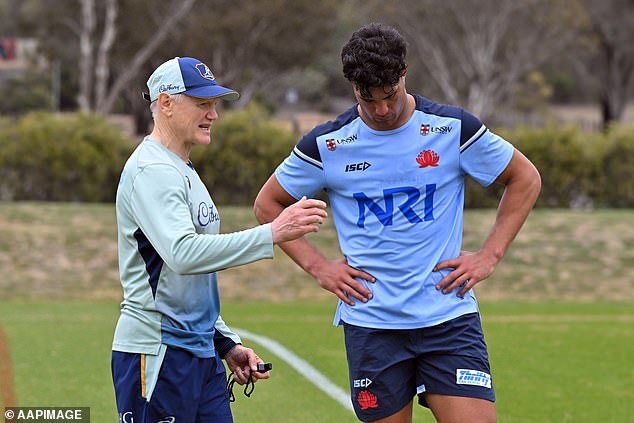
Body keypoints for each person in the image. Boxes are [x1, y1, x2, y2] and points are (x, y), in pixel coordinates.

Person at [253, 23, 541, 423]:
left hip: (448, 318)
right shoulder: (327, 145)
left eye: (389, 96)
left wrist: (490, 255)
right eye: (368, 99)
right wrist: (319, 267)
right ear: (352, 87)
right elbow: (267, 204)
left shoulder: (452, 129)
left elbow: (525, 178)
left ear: (404, 74)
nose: (382, 110)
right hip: (372, 324)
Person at [111, 56, 328, 423]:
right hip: (158, 354)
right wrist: (272, 232)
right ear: (165, 103)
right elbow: (183, 255)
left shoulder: (182, 168)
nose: (214, 114)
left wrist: (226, 343)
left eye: (214, 105)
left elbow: (188, 283)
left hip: (200, 355)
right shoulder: (151, 170)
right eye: (202, 104)